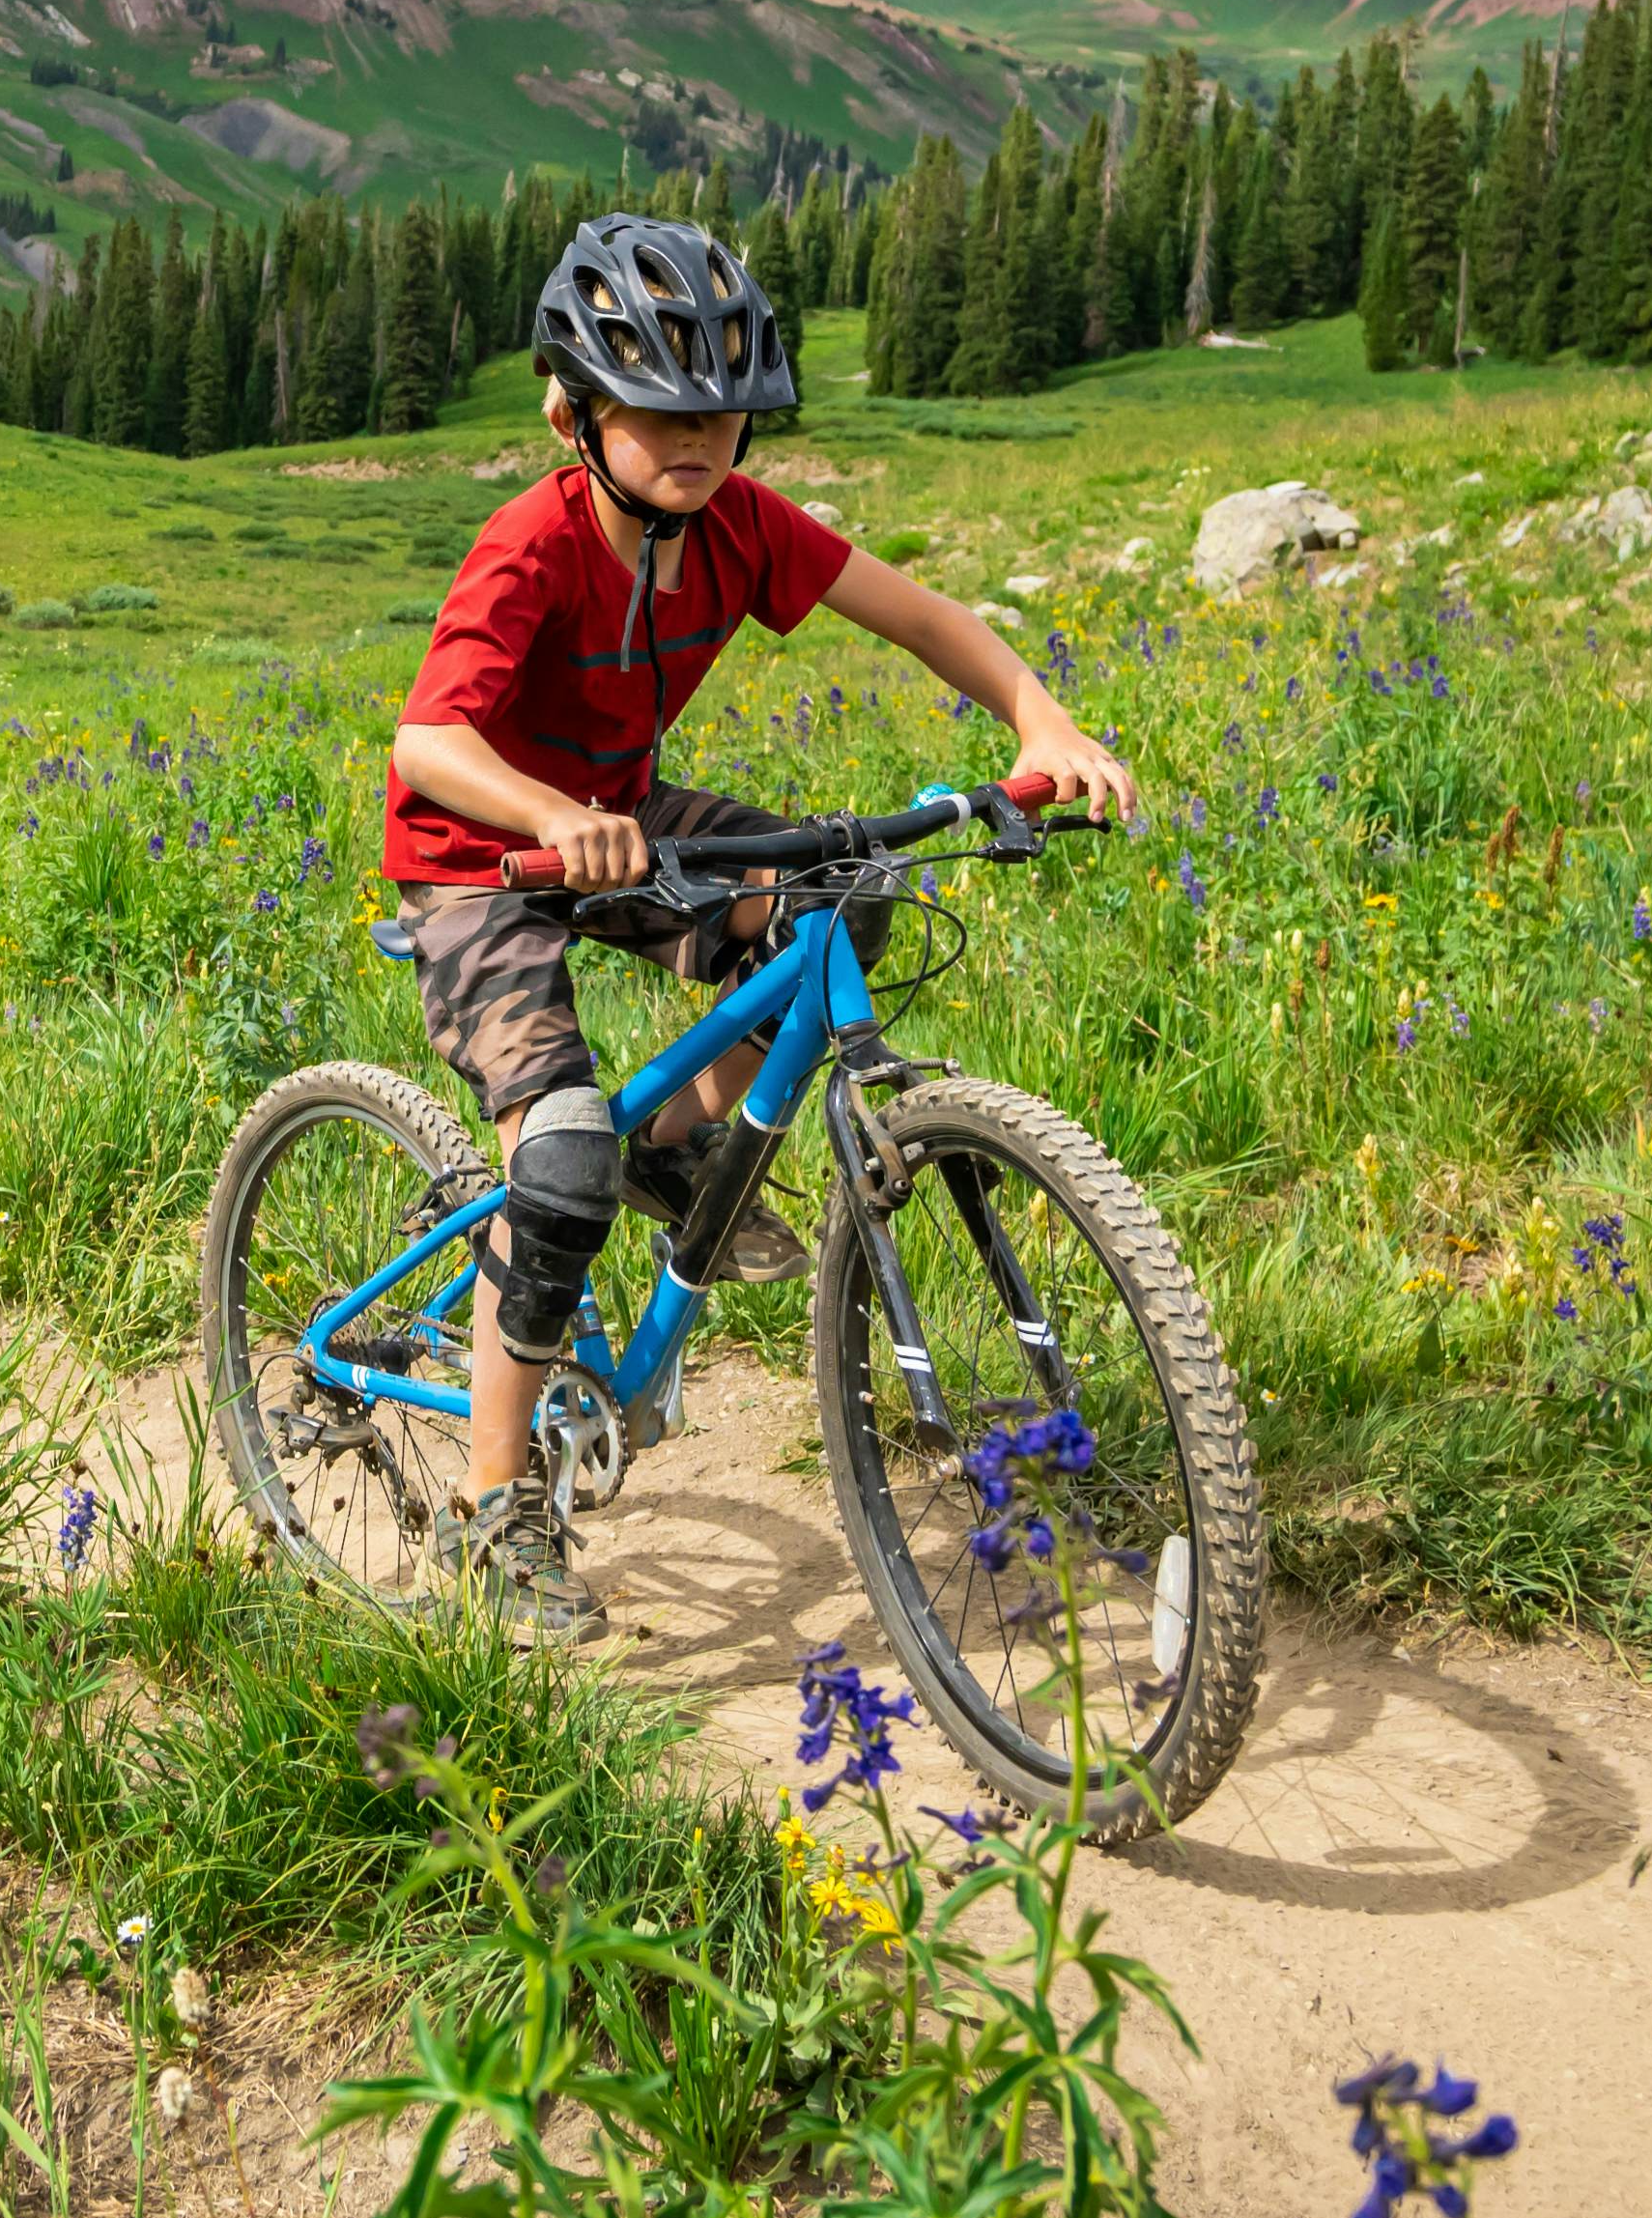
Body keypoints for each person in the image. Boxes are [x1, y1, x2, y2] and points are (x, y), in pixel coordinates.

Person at [382, 214, 1136, 1641]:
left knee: (851, 891)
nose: (698, 440)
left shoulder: (739, 530)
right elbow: (428, 743)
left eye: (723, 411)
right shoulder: (528, 546)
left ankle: (681, 1146)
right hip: (481, 852)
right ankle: (495, 1507)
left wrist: (1041, 718)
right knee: (555, 1157)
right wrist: (546, 813)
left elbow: (917, 617)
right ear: (572, 411)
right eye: (658, 410)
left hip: (617, 812)